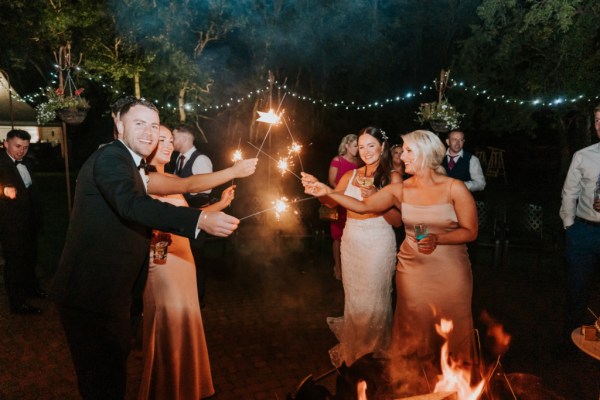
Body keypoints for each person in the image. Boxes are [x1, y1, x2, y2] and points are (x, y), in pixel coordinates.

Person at [50, 99, 257, 400]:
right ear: (118, 125)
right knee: (103, 385)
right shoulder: (111, 158)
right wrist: (200, 218)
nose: (149, 132)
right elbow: (132, 205)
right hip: (91, 294)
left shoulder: (131, 165)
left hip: (114, 293)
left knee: (112, 378)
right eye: (139, 123)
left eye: (153, 125)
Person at [303, 130, 478, 386]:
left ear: (425, 154)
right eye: (402, 150)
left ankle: (455, 382)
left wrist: (438, 239)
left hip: (450, 269)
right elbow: (363, 206)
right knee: (412, 326)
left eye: (407, 151)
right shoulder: (401, 189)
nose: (401, 156)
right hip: (412, 268)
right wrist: (325, 189)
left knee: (452, 325)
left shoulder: (455, 187)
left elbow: (471, 231)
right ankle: (412, 383)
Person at [139, 126, 236, 399]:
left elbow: (186, 216)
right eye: (161, 141)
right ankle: (167, 388)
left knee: (186, 321)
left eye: (170, 140)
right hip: (164, 259)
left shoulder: (169, 175)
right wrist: (233, 171)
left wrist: (220, 205)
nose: (168, 145)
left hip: (184, 259)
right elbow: (160, 218)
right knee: (168, 323)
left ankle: (188, 385)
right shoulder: (147, 178)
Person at [314, 126, 402, 367]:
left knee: (374, 299)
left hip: (378, 243)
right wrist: (318, 189)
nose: (365, 151)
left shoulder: (392, 177)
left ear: (382, 147)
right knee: (354, 298)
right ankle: (356, 351)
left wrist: (376, 196)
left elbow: (397, 220)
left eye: (371, 145)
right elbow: (331, 202)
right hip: (351, 241)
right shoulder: (349, 176)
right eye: (361, 147)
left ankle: (374, 353)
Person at [559, 104, 600, 347]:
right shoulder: (583, 156)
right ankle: (570, 342)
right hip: (583, 233)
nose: (599, 126)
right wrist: (569, 225)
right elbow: (569, 192)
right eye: (596, 120)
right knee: (576, 291)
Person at [0, 129, 46, 315]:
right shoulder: (1, 162)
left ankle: (31, 289)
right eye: (18, 146)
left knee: (30, 257)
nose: (21, 151)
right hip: (10, 222)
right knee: (15, 262)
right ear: (6, 144)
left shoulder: (27, 163)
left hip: (29, 221)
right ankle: (17, 303)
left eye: (25, 147)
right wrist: (3, 191)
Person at [171, 124, 213, 308]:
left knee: (196, 259)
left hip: (196, 220)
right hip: (180, 220)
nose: (171, 141)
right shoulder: (178, 160)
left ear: (186, 138)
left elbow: (205, 189)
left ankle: (197, 299)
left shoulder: (201, 160)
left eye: (174, 136)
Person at [327, 134, 358, 280]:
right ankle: (337, 268)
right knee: (337, 237)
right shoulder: (337, 160)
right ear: (346, 146)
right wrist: (343, 193)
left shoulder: (359, 163)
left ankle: (349, 267)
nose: (358, 149)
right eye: (355, 146)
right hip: (339, 202)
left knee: (351, 236)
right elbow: (332, 181)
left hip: (354, 204)